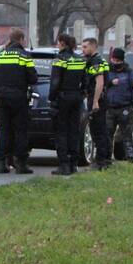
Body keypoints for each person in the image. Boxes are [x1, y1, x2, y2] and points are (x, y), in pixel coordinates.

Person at [0, 29, 38, 175]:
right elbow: (33, 78)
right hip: (19, 98)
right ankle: (21, 164)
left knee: (3, 130)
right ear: (21, 39)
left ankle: (1, 163)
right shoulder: (25, 56)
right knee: (20, 131)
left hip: (2, 99)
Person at [49, 33, 87, 176]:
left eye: (58, 42)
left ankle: (64, 165)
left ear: (62, 43)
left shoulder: (60, 59)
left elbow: (55, 81)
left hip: (62, 98)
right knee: (74, 131)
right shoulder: (80, 59)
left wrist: (52, 98)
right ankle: (73, 164)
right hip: (76, 98)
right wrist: (81, 94)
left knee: (61, 132)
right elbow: (85, 81)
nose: (57, 45)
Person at [106, 48, 133, 163]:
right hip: (110, 108)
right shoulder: (107, 70)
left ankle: (130, 157)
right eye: (113, 60)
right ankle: (106, 157)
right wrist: (110, 83)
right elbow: (101, 84)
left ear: (122, 60)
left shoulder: (129, 72)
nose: (115, 62)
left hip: (124, 108)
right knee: (108, 134)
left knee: (127, 134)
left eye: (117, 60)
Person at [81, 38, 111, 170]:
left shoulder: (96, 61)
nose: (83, 49)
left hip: (98, 99)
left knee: (97, 130)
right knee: (101, 130)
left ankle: (100, 162)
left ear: (93, 47)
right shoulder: (99, 60)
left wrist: (95, 101)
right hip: (99, 98)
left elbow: (100, 83)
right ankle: (105, 160)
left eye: (85, 47)